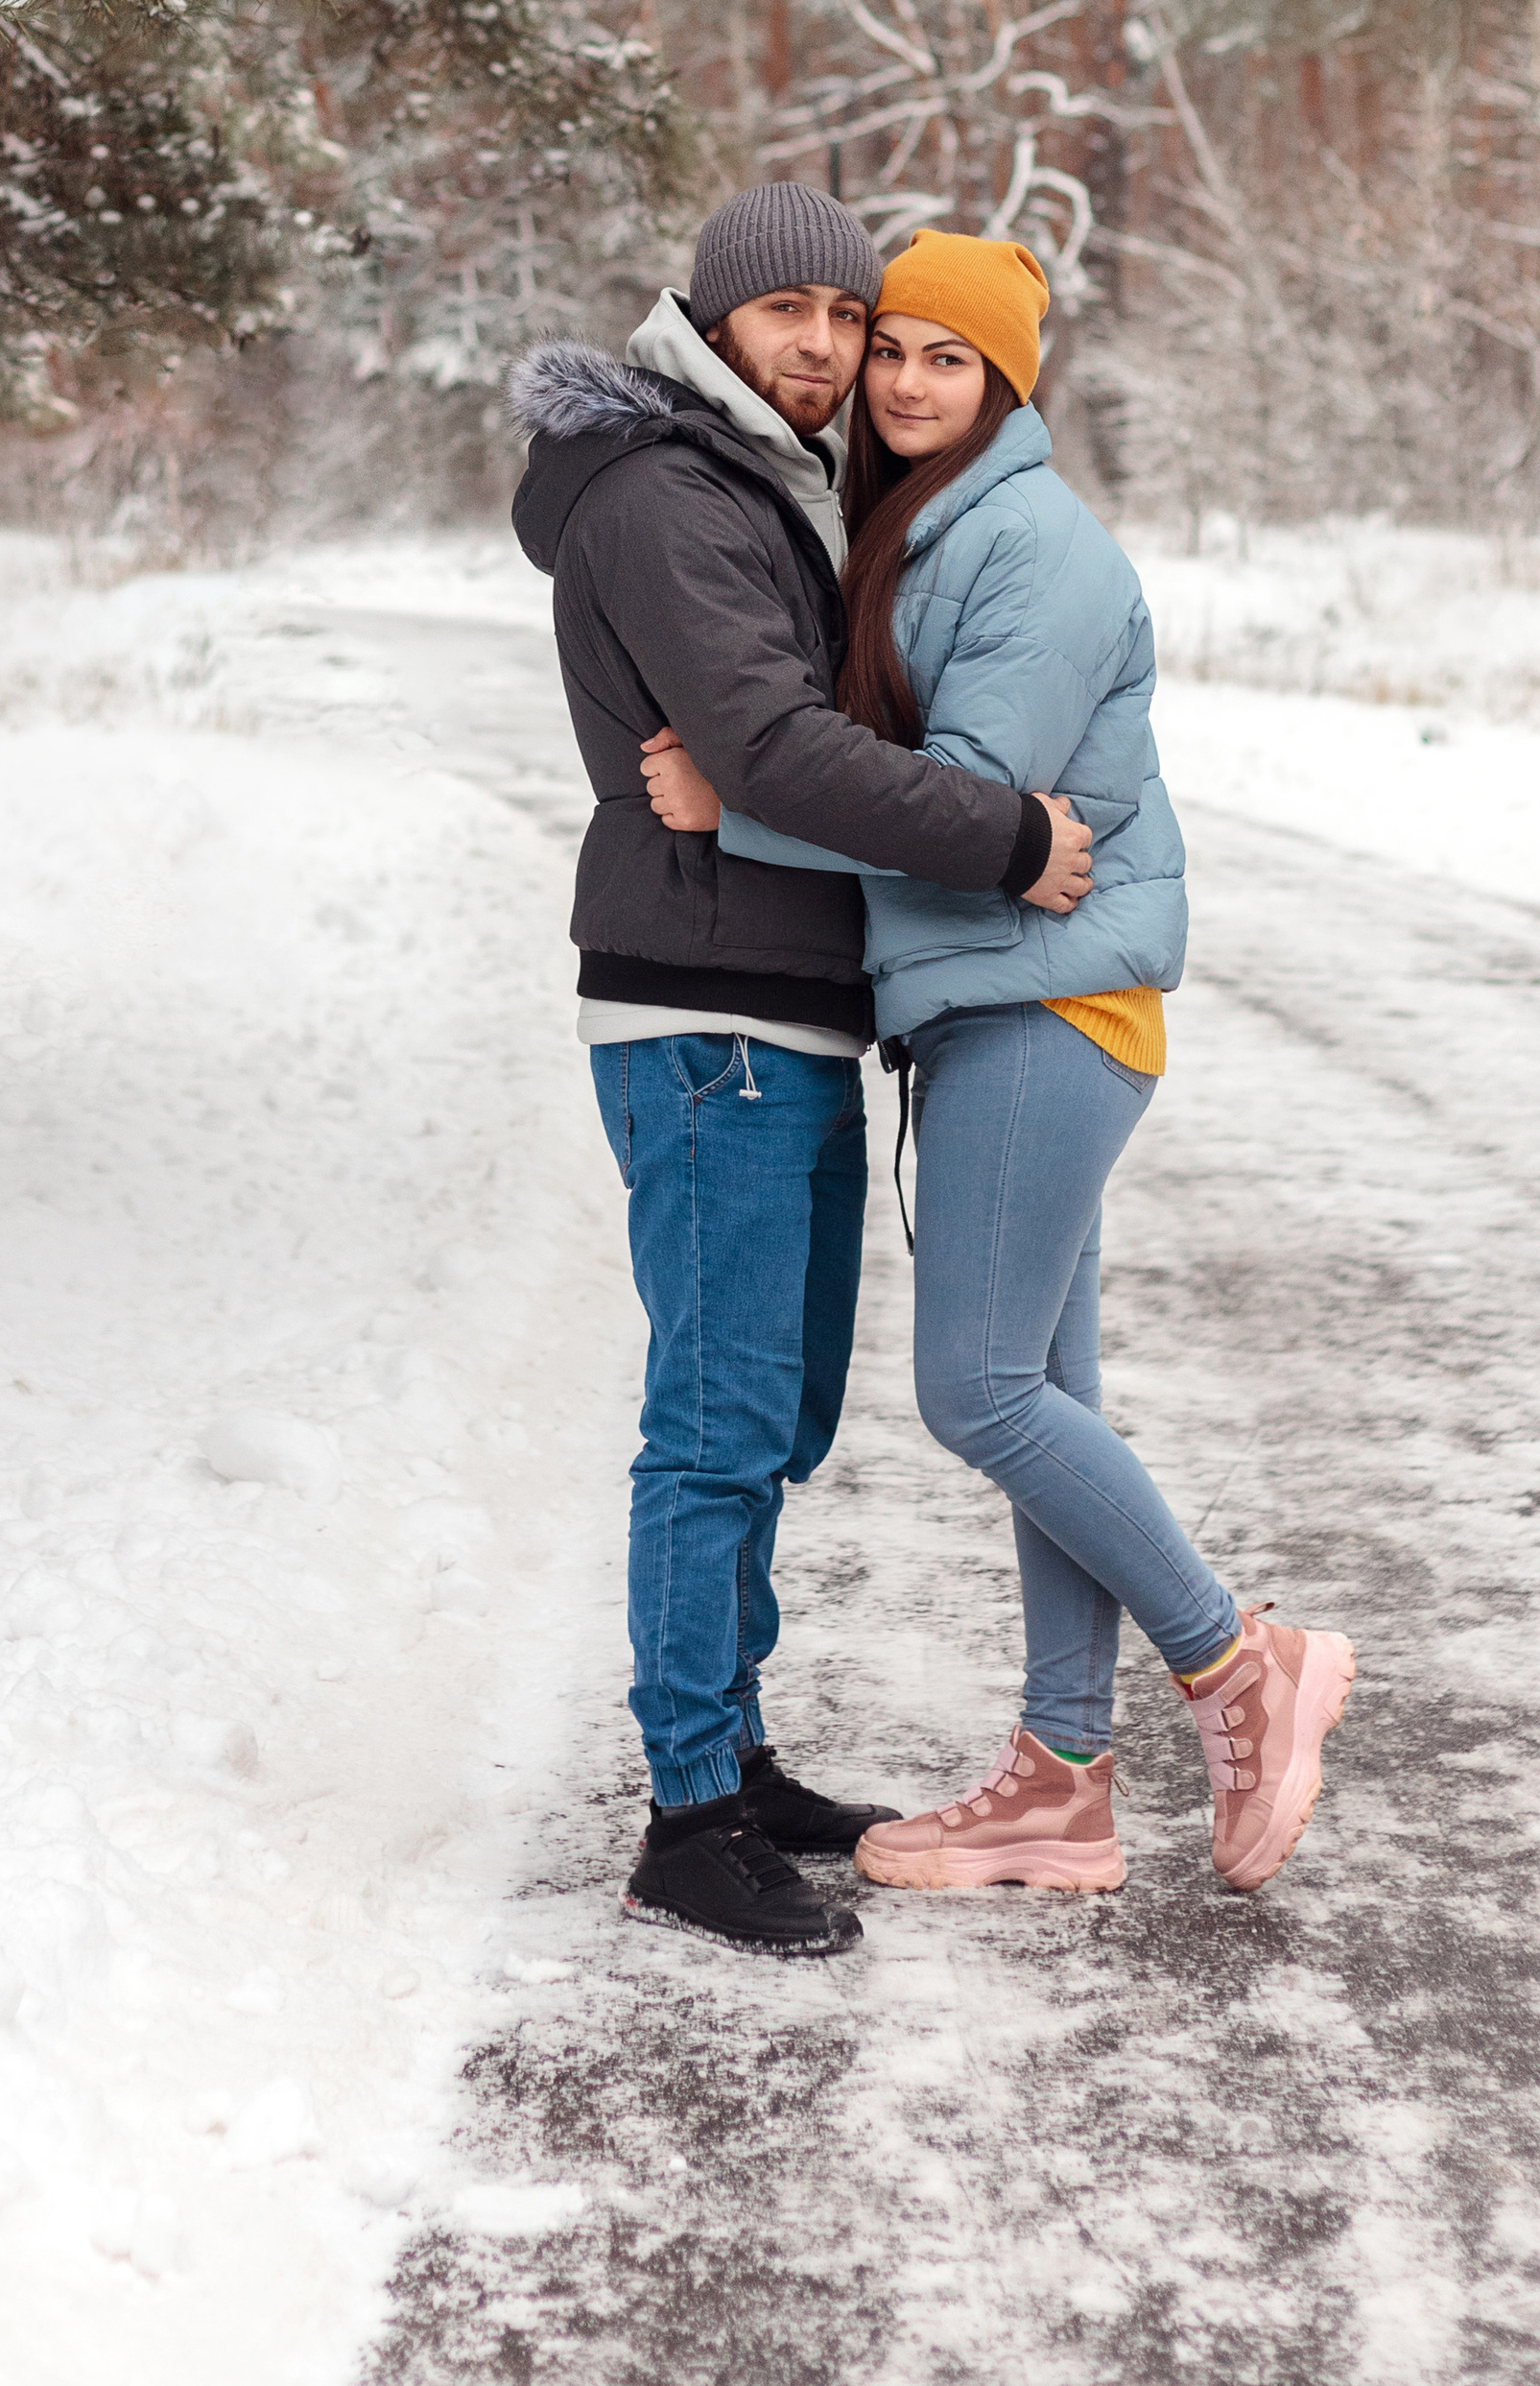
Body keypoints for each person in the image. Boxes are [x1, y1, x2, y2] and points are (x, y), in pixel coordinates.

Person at [643, 228, 1356, 1899]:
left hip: (1048, 1008)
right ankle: (1061, 1779)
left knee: (976, 1386)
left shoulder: (1031, 545)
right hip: (1001, 1005)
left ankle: (1237, 1660)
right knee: (1047, 1400)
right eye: (890, 346)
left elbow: (967, 804)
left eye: (946, 358)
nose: (900, 379)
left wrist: (732, 808)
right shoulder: (924, 527)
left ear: (1007, 382)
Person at [509, 181, 1096, 1958]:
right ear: (713, 318)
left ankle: (736, 1757)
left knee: (771, 1420)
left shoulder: (766, 480)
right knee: (713, 1425)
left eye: (851, 319)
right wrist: (1008, 837)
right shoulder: (669, 492)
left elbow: (795, 740)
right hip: (707, 1021)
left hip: (778, 1007)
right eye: (794, 315)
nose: (830, 350)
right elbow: (774, 746)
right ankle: (689, 1817)